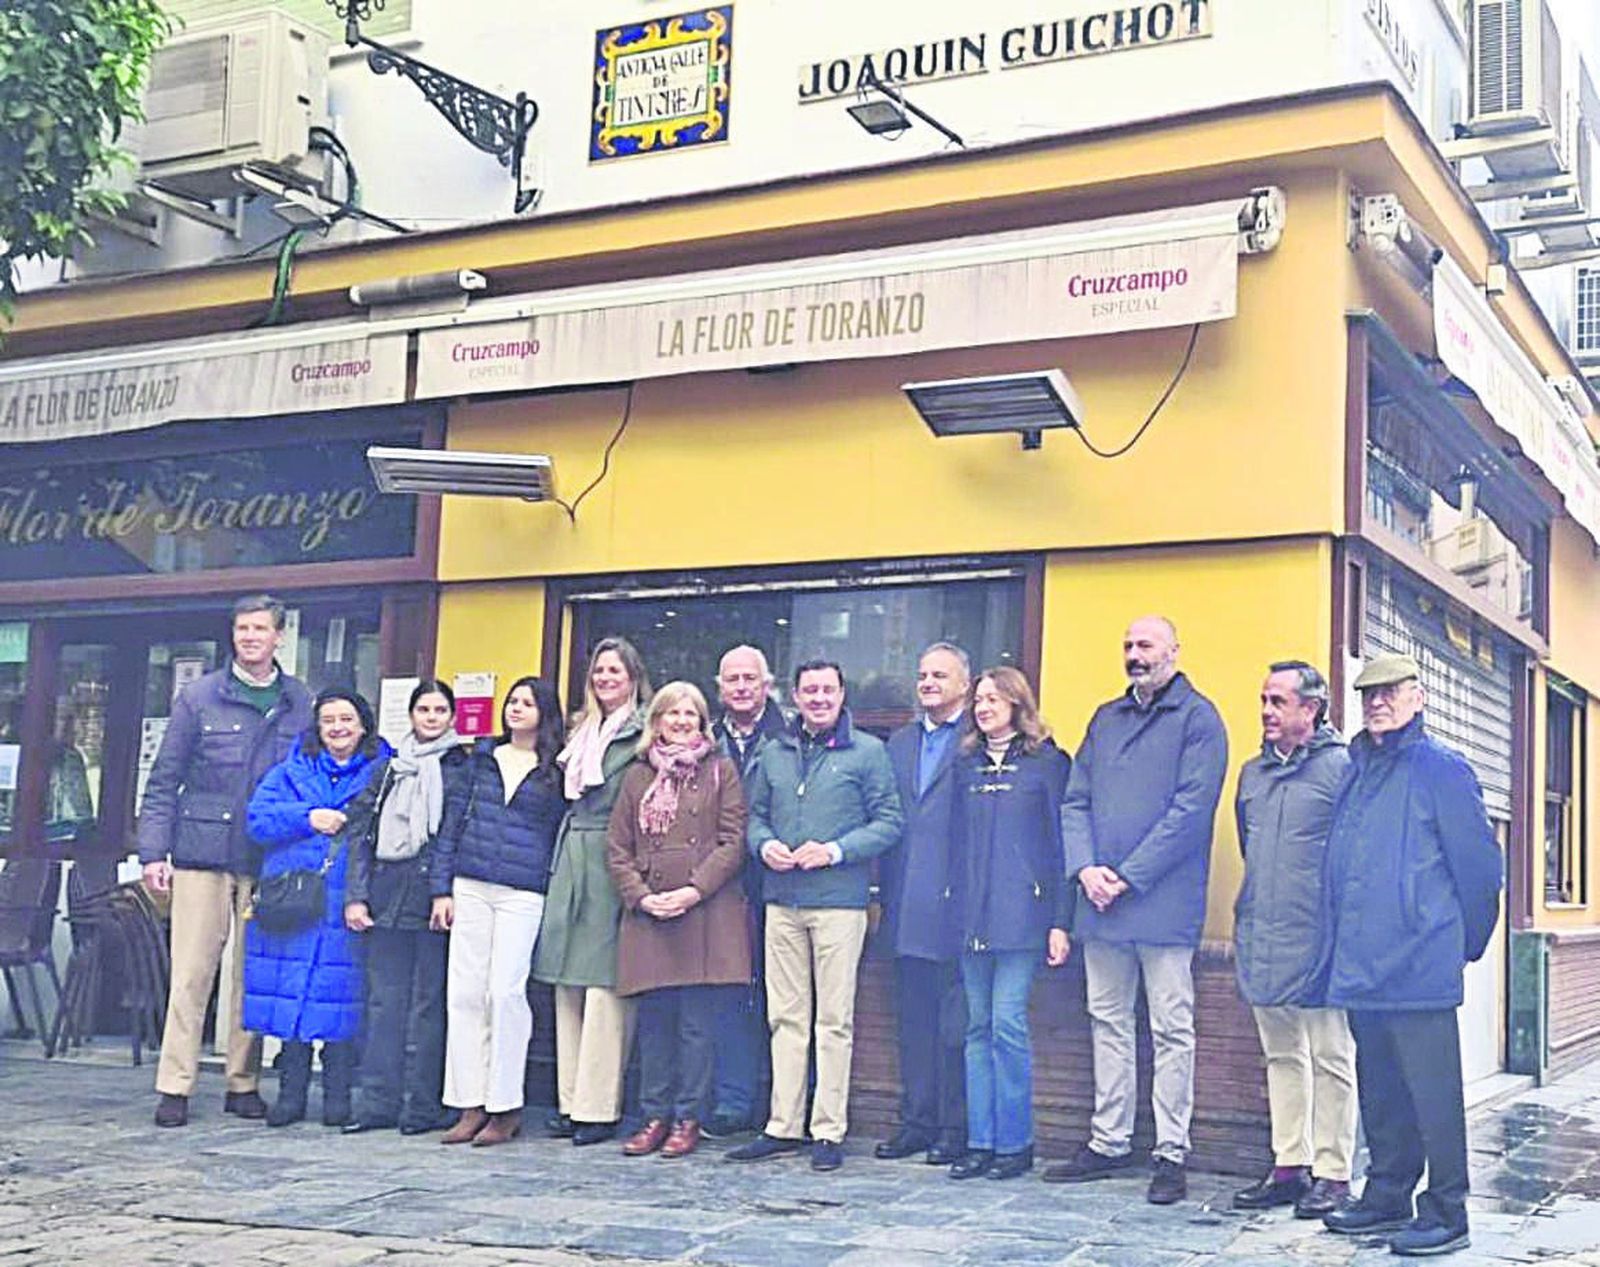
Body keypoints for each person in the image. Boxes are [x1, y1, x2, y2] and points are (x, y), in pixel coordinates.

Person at [1318, 653, 1501, 1259]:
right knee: (1381, 1094)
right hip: (1362, 966)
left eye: (1390, 691)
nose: (1377, 702)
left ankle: (1448, 1211)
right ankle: (1388, 1194)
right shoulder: (1356, 770)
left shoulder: (1442, 770)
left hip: (1419, 964)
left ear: (1417, 697)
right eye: (1369, 693)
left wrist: (1460, 946)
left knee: (1433, 1098)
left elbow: (1479, 871)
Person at [1046, 616, 1227, 1205]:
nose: (1134, 654)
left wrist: (1128, 876)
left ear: (1174, 651)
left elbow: (1190, 811)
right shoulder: (1106, 718)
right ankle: (1109, 1140)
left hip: (1162, 905)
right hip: (1100, 903)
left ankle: (1172, 1152)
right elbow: (1076, 801)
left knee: (1172, 1029)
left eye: (1145, 645)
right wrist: (1086, 869)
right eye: (1127, 645)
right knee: (1108, 1022)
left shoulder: (1200, 720)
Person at [140, 595, 312, 1128]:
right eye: (242, 628)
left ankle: (243, 1083)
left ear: (279, 636)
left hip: (267, 857)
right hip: (201, 852)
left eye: (260, 628)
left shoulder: (299, 700)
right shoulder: (200, 696)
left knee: (250, 975)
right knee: (192, 974)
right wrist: (153, 852)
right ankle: (175, 1085)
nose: (250, 637)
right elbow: (165, 779)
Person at [727, 659, 904, 1173]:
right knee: (785, 1018)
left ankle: (828, 1130)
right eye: (809, 690)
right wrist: (764, 847)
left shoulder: (868, 752)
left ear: (842, 694)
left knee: (833, 1021)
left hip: (839, 902)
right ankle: (783, 1124)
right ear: (795, 696)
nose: (819, 698)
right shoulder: (775, 751)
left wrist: (836, 851)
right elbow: (752, 817)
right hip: (782, 900)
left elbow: (889, 821)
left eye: (828, 689)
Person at [1230, 662, 1356, 1218]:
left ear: (1311, 709)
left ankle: (1333, 1173)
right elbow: (1247, 848)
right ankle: (1289, 1165)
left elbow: (1356, 856)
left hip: (1324, 938)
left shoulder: (1342, 768)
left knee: (1331, 1057)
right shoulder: (1251, 775)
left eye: (1278, 701)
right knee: (1281, 1055)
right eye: (1263, 699)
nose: (1266, 711)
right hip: (1264, 933)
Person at [608, 682, 750, 1159]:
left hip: (703, 911)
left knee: (696, 1025)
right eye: (673, 713)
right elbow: (617, 847)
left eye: (691, 714)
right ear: (658, 721)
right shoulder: (635, 775)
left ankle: (689, 1118)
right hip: (651, 913)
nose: (682, 721)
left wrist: (694, 889)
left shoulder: (720, 770)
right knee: (655, 1023)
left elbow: (733, 840)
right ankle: (654, 1116)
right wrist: (642, 897)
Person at [244, 687, 389, 1127]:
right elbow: (257, 820)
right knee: (294, 996)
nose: (338, 728)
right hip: (295, 900)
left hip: (347, 899)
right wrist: (308, 818)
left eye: (347, 718)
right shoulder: (289, 771)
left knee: (341, 996)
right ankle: (290, 1093)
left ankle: (338, 1093)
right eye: (329, 720)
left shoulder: (383, 772)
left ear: (363, 724)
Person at [432, 676, 567, 1147]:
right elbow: (452, 822)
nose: (516, 709)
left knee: (505, 993)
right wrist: (441, 889)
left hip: (523, 889)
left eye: (527, 703)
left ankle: (505, 1106)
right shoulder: (482, 759)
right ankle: (468, 1103)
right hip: (471, 883)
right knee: (464, 993)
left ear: (544, 712)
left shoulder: (557, 767)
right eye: (512, 701)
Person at [949, 667, 1072, 1181]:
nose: (984, 707)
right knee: (976, 1028)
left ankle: (1014, 1143)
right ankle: (980, 1140)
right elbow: (954, 842)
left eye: (994, 699)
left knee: (1006, 1024)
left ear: (1018, 704)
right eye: (979, 699)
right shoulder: (966, 764)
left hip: (1024, 916)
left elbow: (1061, 845)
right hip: (970, 916)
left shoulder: (1047, 762)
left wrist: (1060, 922)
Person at [533, 637, 650, 1146]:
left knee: (606, 986)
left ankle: (599, 1107)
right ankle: (569, 1100)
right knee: (568, 982)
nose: (606, 679)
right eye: (599, 671)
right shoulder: (581, 730)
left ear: (633, 678)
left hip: (613, 855)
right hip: (573, 854)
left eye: (615, 672)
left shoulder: (643, 733)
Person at [340, 680, 469, 1137]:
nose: (431, 718)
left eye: (439, 710)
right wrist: (355, 895)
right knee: (384, 1001)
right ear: (411, 715)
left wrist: (443, 890)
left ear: (452, 717)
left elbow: (455, 833)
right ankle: (377, 1102)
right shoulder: (389, 768)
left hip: (433, 897)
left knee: (428, 1005)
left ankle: (422, 1104)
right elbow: (360, 832)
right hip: (386, 893)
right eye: (423, 710)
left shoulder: (461, 767)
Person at [877, 642, 971, 1166]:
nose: (928, 683)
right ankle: (915, 1122)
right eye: (922, 675)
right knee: (911, 1023)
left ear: (965, 683)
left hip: (957, 906)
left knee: (953, 1026)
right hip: (905, 902)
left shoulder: (977, 739)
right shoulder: (900, 742)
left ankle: (953, 1128)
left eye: (939, 674)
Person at [705, 644, 788, 1139]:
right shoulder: (706, 739)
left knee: (785, 1000)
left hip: (778, 880)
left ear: (767, 686)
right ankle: (733, 1101)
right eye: (731, 679)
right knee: (731, 996)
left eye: (749, 679)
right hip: (720, 888)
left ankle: (784, 1103)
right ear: (720, 687)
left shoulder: (791, 736)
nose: (740, 687)